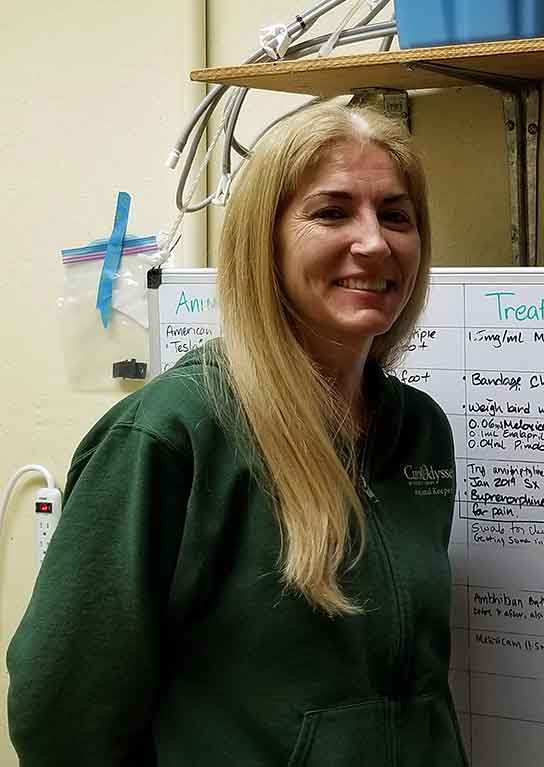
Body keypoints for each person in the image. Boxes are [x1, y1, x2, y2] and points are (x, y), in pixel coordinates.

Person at [8, 101, 467, 766]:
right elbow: (60, 712)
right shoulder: (172, 435)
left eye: (396, 214)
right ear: (265, 239)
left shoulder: (421, 432)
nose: (375, 242)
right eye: (332, 211)